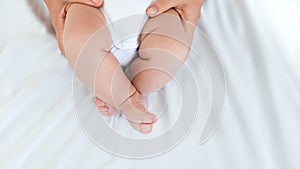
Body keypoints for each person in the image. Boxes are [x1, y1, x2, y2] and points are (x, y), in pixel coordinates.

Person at [45, 0, 203, 134]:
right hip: (91, 9)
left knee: (171, 49)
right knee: (79, 41)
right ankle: (126, 99)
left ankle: (129, 89)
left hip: (157, 10)